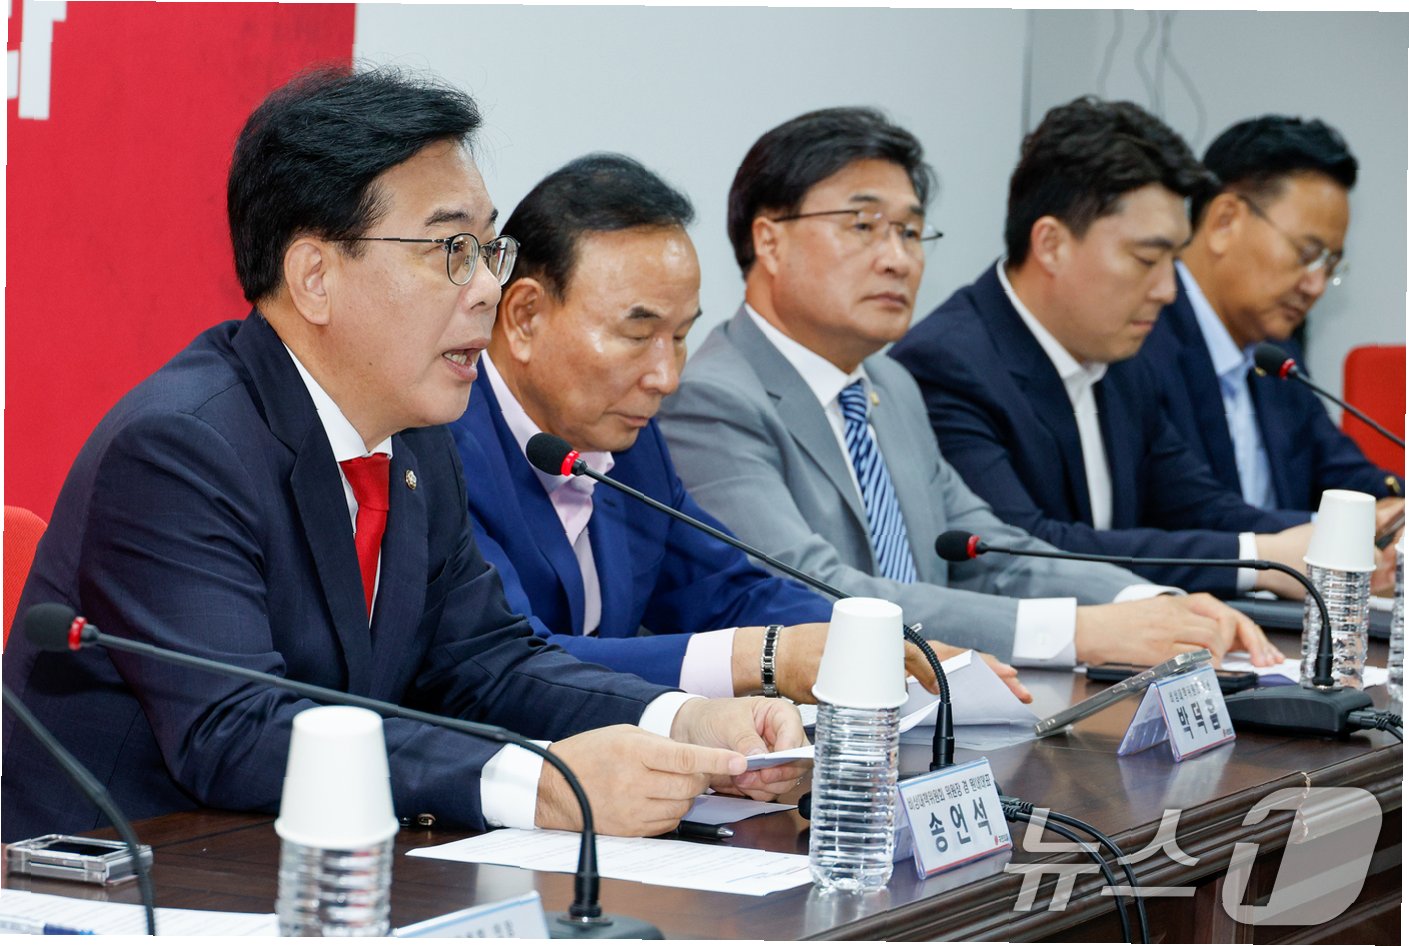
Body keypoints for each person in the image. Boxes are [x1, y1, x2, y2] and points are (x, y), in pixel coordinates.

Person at [0, 66, 805, 844]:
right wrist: (539, 784)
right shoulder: (181, 448)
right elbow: (236, 731)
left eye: (488, 249)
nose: (486, 288)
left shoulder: (415, 440)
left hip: (303, 866)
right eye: (450, 248)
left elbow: (484, 660)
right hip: (124, 878)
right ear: (314, 276)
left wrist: (680, 720)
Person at [659, 107, 1279, 670]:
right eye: (864, 225)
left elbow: (991, 551)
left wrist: (1146, 602)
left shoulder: (891, 386)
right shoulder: (712, 399)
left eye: (910, 231)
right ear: (769, 240)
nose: (897, 258)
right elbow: (812, 591)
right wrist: (1078, 632)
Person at [450, 152, 957, 701]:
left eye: (680, 337)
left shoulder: (632, 442)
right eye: (637, 336)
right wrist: (764, 657)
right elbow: (512, 658)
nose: (666, 378)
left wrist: (884, 644)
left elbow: (729, 592)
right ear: (524, 317)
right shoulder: (444, 447)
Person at [891, 97, 1315, 600]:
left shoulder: (1121, 358)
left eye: (1174, 262)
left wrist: (1328, 536)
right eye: (1147, 259)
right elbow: (1023, 551)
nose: (1168, 291)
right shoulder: (947, 365)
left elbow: (1198, 505)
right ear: (1051, 245)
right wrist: (1258, 560)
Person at [1134, 115, 1403, 521]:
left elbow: (1345, 474)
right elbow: (1193, 515)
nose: (1315, 286)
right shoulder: (1140, 338)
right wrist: (1335, 530)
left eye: (1330, 265)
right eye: (1307, 254)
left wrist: (1395, 510)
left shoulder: (1277, 357)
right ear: (1225, 221)